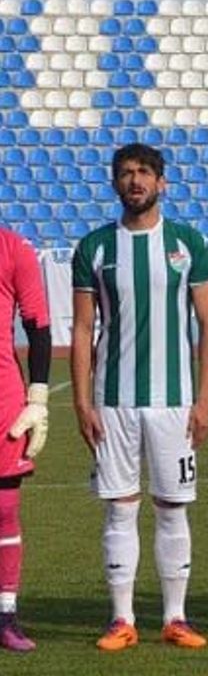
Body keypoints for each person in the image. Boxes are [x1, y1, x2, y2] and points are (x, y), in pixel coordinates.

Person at [70, 143, 208, 651]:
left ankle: (176, 617)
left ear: (162, 182)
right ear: (114, 182)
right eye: (125, 173)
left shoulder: (188, 243)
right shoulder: (95, 247)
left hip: (174, 401)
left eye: (144, 172)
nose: (134, 180)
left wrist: (205, 400)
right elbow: (84, 328)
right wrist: (82, 403)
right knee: (120, 508)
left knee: (173, 508)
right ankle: (122, 619)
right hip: (113, 401)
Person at [0, 228, 51, 653]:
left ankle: (5, 616)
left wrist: (38, 398)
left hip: (3, 400)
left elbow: (38, 325)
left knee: (4, 510)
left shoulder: (15, 249)